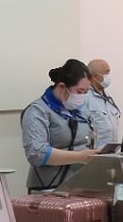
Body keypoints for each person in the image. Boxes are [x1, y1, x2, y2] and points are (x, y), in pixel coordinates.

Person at [21, 59, 98, 192]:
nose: (82, 97)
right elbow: (36, 153)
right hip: (48, 189)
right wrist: (80, 157)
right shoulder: (38, 111)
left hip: (81, 186)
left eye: (86, 92)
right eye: (79, 92)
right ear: (62, 87)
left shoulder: (82, 110)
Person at [85, 58, 121, 146]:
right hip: (94, 153)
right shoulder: (85, 97)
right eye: (106, 73)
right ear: (95, 77)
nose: (108, 76)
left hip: (111, 151)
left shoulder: (108, 97)